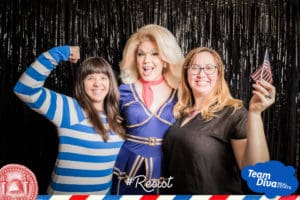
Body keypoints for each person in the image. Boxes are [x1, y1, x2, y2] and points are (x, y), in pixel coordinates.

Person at [162, 47, 276, 194]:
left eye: (209, 68)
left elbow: (256, 171)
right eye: (195, 67)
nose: (201, 73)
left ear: (219, 74)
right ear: (186, 74)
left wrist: (255, 113)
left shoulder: (233, 113)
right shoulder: (179, 113)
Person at [13, 45, 125, 194]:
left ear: (110, 83)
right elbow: (24, 89)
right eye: (90, 78)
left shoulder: (117, 117)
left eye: (103, 78)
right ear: (81, 83)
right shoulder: (69, 109)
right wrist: (60, 53)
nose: (98, 84)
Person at [111, 24, 184, 194]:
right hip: (127, 166)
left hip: (165, 169)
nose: (146, 61)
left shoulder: (181, 93)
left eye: (154, 54)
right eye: (141, 54)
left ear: (165, 59)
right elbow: (107, 126)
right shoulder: (124, 90)